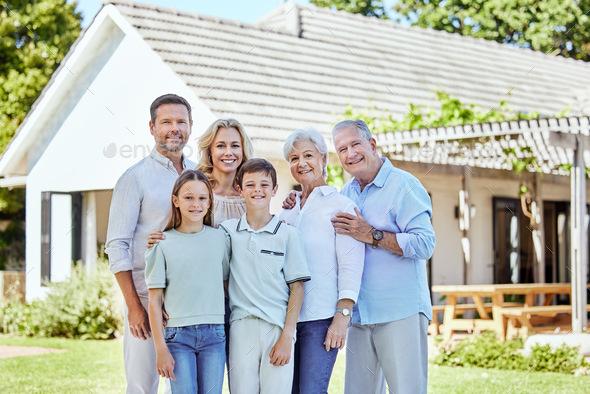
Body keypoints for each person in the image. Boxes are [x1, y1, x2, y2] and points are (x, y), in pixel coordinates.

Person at [330, 119, 435, 394]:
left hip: (400, 312)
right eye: (342, 149)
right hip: (360, 316)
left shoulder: (404, 185)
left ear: (372, 144)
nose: (350, 154)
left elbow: (425, 244)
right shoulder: (346, 193)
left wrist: (372, 234)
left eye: (355, 144)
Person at [148, 118, 253, 391]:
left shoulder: (253, 193)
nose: (228, 152)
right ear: (210, 150)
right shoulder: (196, 187)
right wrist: (155, 240)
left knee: (242, 383)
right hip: (190, 312)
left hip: (238, 304)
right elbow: (170, 233)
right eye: (220, 145)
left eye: (234, 145)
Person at [106, 93, 195, 393]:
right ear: (152, 127)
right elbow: (116, 246)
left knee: (186, 386)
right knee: (142, 386)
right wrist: (133, 307)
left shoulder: (199, 175)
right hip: (145, 298)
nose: (174, 128)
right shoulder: (135, 178)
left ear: (191, 126)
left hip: (190, 300)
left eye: (181, 121)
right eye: (166, 122)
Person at [278, 128, 364, 394]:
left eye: (308, 155)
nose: (301, 163)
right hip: (285, 319)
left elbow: (351, 265)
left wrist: (342, 316)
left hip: (321, 318)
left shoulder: (341, 206)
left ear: (324, 159)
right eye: (293, 158)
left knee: (312, 390)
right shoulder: (289, 209)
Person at [220, 158, 311, 394]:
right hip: (241, 327)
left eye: (264, 184)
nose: (257, 190)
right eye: (250, 185)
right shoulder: (228, 231)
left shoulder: (289, 235)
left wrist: (287, 336)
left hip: (278, 328)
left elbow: (297, 288)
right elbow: (223, 277)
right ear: (240, 190)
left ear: (274, 190)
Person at [146, 170, 230, 394]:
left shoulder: (220, 238)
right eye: (188, 197)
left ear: (209, 201)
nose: (196, 204)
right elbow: (154, 301)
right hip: (177, 336)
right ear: (176, 201)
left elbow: (227, 284)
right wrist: (160, 348)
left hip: (215, 334)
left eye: (202, 198)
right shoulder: (161, 244)